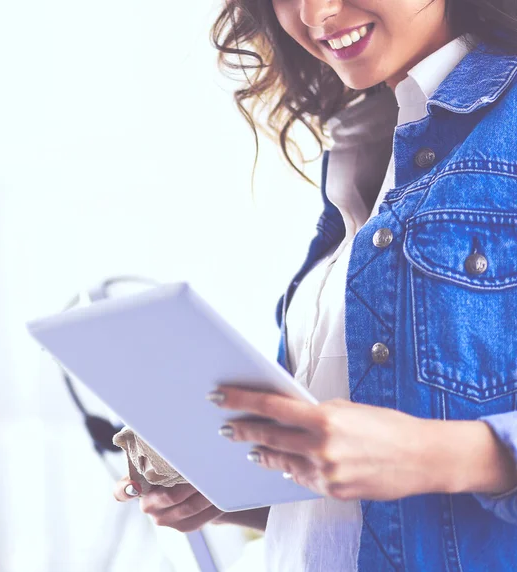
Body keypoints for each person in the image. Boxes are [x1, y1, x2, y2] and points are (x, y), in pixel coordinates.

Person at [114, 0, 517, 569]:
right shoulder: (362, 148)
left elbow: (420, 462)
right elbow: (377, 507)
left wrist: (441, 455)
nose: (315, 12)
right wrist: (238, 492)